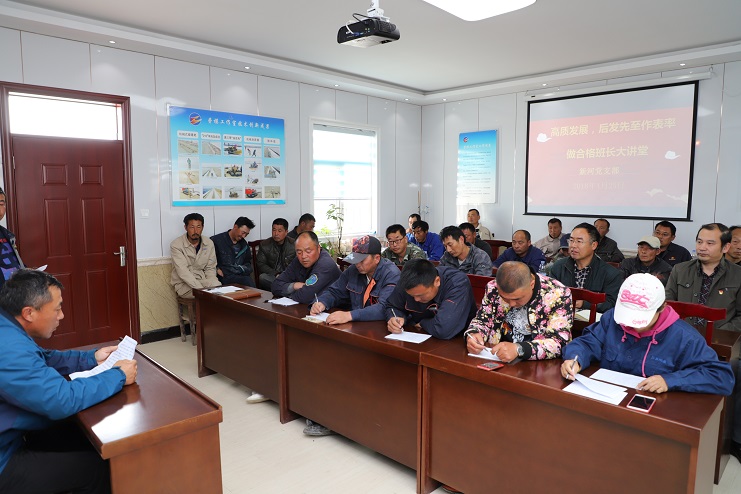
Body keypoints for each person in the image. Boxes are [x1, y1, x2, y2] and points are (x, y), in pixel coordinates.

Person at [0, 269, 137, 494]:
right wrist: (118, 375)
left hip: (12, 436)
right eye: (57, 309)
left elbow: (43, 358)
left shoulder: (7, 326)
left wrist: (91, 358)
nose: (61, 316)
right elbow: (60, 399)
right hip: (4, 461)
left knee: (77, 434)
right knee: (95, 470)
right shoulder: (9, 349)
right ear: (29, 313)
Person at [561, 273, 734, 396]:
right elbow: (587, 342)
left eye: (639, 319)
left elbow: (721, 377)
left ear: (662, 308)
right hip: (608, 398)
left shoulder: (684, 337)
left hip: (654, 411)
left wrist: (670, 381)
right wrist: (575, 359)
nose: (630, 325)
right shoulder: (612, 319)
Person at [465, 261, 573, 362]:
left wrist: (519, 349)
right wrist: (474, 334)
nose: (511, 304)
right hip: (495, 356)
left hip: (537, 365)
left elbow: (560, 342)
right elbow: (483, 319)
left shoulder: (557, 294)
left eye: (517, 299)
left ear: (531, 284)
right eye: (505, 298)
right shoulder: (493, 287)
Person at [665, 223, 741, 331]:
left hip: (720, 338)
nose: (702, 247)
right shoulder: (680, 270)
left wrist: (717, 333)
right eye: (699, 242)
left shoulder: (737, 274)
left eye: (710, 243)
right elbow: (667, 306)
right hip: (683, 335)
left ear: (725, 247)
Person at [312, 236, 399, 324]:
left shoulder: (391, 274)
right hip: (357, 325)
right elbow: (335, 292)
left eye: (362, 260)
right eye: (355, 259)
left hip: (380, 327)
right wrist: (322, 302)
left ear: (377, 258)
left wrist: (349, 315)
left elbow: (384, 308)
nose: (357, 264)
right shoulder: (353, 270)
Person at [385, 259, 477, 340]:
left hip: (457, 341)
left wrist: (422, 323)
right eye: (412, 295)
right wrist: (394, 318)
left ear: (437, 281)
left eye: (421, 295)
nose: (416, 299)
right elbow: (392, 306)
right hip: (418, 336)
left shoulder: (457, 283)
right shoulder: (407, 281)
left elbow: (444, 328)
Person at [550, 223, 622, 313]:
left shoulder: (611, 274)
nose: (573, 245)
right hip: (562, 318)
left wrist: (585, 304)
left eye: (579, 241)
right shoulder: (558, 267)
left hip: (595, 321)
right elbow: (550, 296)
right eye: (571, 240)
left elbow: (612, 304)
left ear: (594, 245)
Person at [272, 231, 341, 304]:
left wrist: (289, 293)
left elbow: (305, 297)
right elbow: (275, 286)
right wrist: (295, 285)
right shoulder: (298, 261)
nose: (303, 256)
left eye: (308, 251)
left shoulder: (325, 265)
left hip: (335, 308)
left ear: (318, 248)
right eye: (299, 252)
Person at [170, 212, 220, 298]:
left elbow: (210, 268)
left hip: (203, 281)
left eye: (198, 227)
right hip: (184, 284)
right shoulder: (176, 245)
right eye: (192, 227)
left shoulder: (209, 243)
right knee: (208, 296)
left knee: (218, 288)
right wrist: (201, 290)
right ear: (185, 227)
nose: (195, 231)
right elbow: (183, 272)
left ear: (203, 227)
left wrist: (212, 284)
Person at [211, 216, 256, 287]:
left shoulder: (244, 245)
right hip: (222, 277)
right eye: (243, 232)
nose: (244, 236)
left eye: (246, 234)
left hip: (239, 276)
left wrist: (238, 269)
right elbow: (208, 261)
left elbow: (248, 264)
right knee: (247, 281)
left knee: (247, 281)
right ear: (235, 227)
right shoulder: (216, 241)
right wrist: (217, 269)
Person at [256, 218, 296, 291]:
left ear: (286, 232)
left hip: (289, 277)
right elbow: (261, 264)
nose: (276, 233)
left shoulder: (294, 244)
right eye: (274, 230)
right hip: (274, 276)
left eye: (279, 231)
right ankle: (286, 288)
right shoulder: (264, 245)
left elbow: (298, 263)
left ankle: (284, 288)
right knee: (262, 277)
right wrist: (276, 274)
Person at [0, 187, 24, 290]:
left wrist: (26, 270)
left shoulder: (8, 235)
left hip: (14, 293)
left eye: (2, 204)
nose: (0, 209)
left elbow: (12, 262)